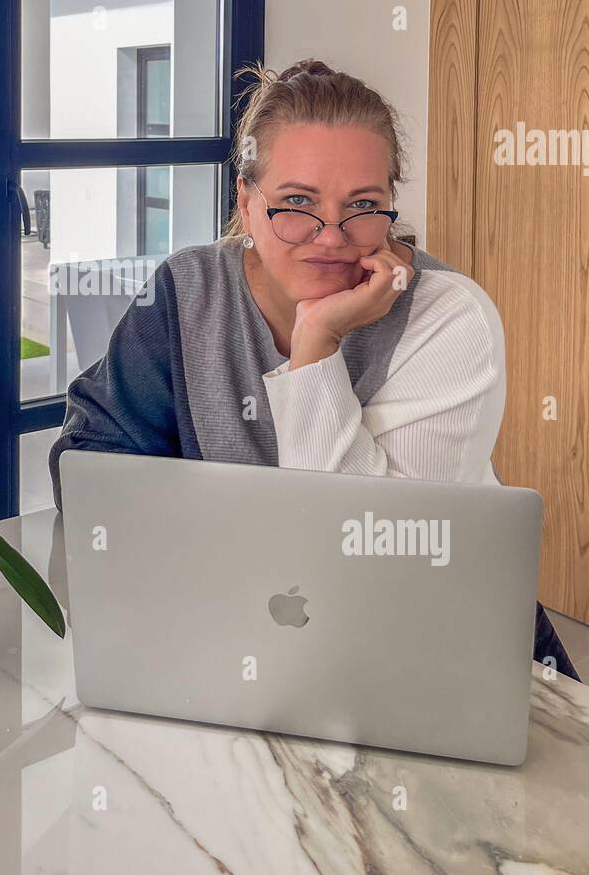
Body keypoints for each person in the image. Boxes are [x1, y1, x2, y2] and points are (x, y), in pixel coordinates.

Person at [48, 58, 580, 681]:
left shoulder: (449, 317)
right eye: (296, 202)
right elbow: (91, 462)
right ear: (246, 205)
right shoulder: (187, 289)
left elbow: (370, 559)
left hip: (444, 649)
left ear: (390, 207)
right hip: (252, 636)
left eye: (362, 204)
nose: (330, 236)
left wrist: (317, 342)